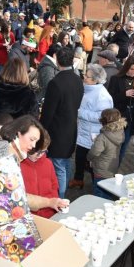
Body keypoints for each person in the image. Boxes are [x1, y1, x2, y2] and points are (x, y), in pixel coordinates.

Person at [0, 116, 69, 216]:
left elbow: (19, 196)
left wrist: (51, 202)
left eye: (36, 141)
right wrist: (49, 202)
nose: (34, 146)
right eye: (32, 139)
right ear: (18, 134)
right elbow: (15, 196)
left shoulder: (47, 163)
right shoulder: (6, 159)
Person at [40, 47, 84, 198]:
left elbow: (48, 112)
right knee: (65, 163)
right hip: (71, 128)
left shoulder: (56, 83)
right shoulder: (78, 80)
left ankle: (60, 198)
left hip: (57, 131)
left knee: (58, 166)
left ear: (57, 60)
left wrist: (41, 130)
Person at [68, 64, 113, 189]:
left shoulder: (102, 96)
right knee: (80, 157)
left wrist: (80, 113)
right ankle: (78, 179)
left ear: (95, 80)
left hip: (94, 135)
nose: (84, 78)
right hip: (84, 132)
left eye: (87, 76)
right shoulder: (89, 88)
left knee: (93, 163)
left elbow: (103, 117)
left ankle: (98, 187)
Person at [107, 55, 134, 164]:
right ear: (126, 67)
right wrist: (124, 94)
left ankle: (116, 168)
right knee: (114, 146)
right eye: (132, 69)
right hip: (118, 117)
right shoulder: (116, 79)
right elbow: (110, 98)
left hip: (131, 119)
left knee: (124, 146)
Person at [88, 108, 126, 199]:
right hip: (112, 167)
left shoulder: (103, 137)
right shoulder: (121, 132)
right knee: (108, 190)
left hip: (101, 169)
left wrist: (88, 158)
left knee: (99, 192)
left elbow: (95, 152)